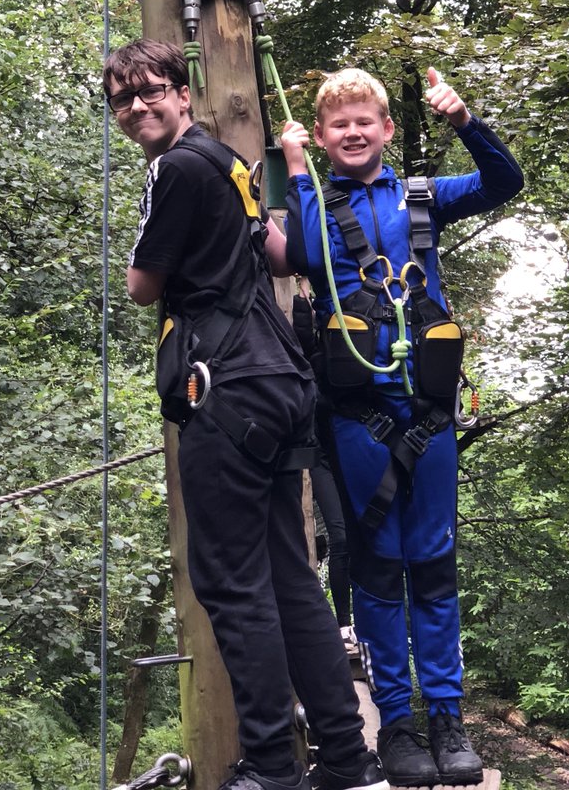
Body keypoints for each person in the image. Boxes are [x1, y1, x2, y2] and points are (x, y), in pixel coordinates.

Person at [104, 39, 387, 790]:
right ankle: (346, 756)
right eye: (123, 100)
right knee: (290, 576)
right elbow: (276, 255)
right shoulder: (232, 163)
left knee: (232, 582)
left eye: (151, 91)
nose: (138, 108)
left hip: (227, 386)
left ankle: (269, 764)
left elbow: (141, 284)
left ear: (182, 93)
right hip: (278, 381)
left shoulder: (176, 167)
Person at [281, 68, 524, 788]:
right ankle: (397, 722)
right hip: (361, 418)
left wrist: (463, 122)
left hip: (430, 415)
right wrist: (294, 168)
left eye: (366, 121)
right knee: (380, 568)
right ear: (323, 137)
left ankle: (447, 716)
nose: (353, 133)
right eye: (339, 125)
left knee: (434, 562)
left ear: (387, 129)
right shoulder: (318, 203)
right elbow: (300, 253)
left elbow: (503, 182)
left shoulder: (421, 198)